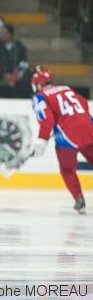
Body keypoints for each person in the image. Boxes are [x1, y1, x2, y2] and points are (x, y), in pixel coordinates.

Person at [30, 68, 93, 214]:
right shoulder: (67, 89)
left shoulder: (40, 97)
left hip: (67, 138)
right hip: (89, 129)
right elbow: (84, 105)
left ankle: (79, 199)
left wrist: (42, 140)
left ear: (38, 84)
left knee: (67, 169)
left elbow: (47, 120)